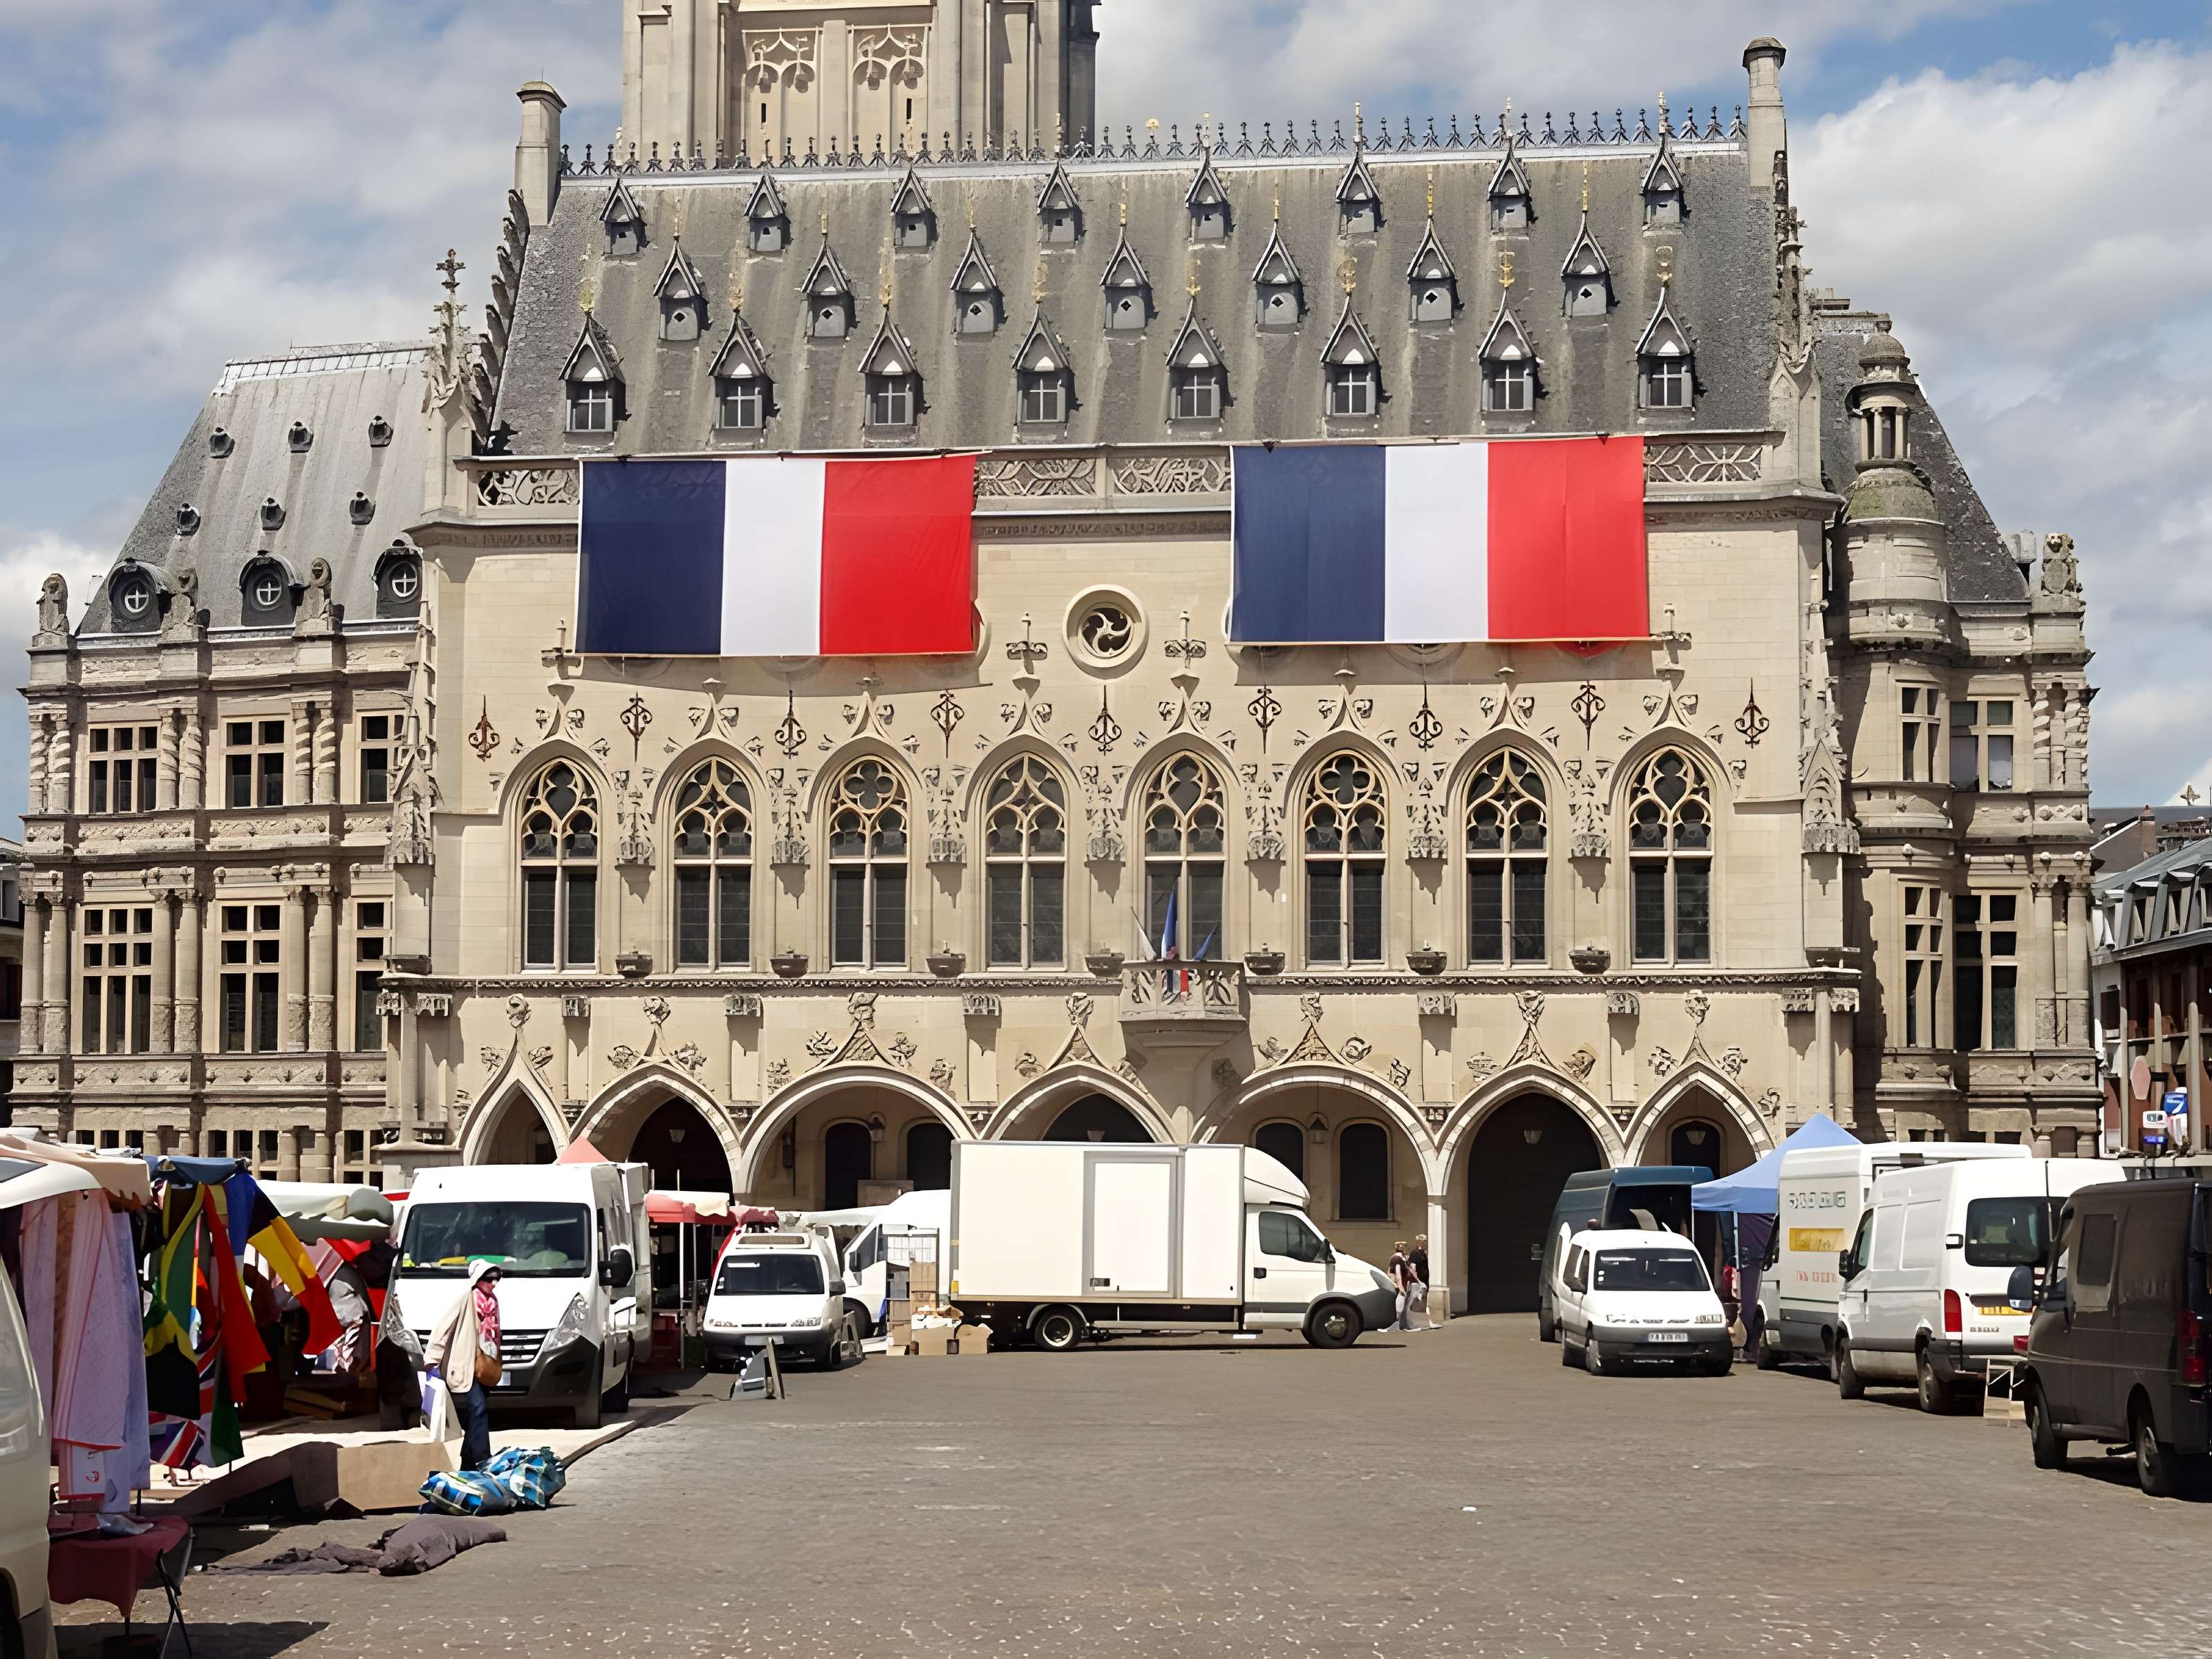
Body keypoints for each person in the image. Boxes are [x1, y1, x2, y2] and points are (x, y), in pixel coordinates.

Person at [424, 1259, 502, 1472]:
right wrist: (432, 1360)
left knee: (476, 1413)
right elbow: (443, 1327)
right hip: (465, 1364)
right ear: (478, 1279)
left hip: (484, 1366)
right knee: (478, 1408)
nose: (493, 1283)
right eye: (489, 1279)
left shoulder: (492, 1301)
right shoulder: (466, 1298)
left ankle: (468, 1465)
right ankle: (483, 1458)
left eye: (497, 1278)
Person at [1407, 1235, 1433, 1331]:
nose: (1426, 1243)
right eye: (1424, 1241)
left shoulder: (1423, 1253)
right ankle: (1417, 1324)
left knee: (1422, 1300)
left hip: (1424, 1280)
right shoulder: (1415, 1253)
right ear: (1419, 1242)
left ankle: (1423, 1324)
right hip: (1419, 1281)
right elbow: (1412, 1268)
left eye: (1426, 1241)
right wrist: (1418, 1281)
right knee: (1417, 1300)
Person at [1387, 1240, 1412, 1330]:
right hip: (1401, 1287)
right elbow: (1398, 1274)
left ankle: (1403, 1325)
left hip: (1404, 1285)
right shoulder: (1397, 1259)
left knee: (1403, 1307)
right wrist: (1401, 1288)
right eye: (1406, 1248)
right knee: (1400, 1307)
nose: (1407, 1249)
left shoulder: (1399, 1258)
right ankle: (1399, 1325)